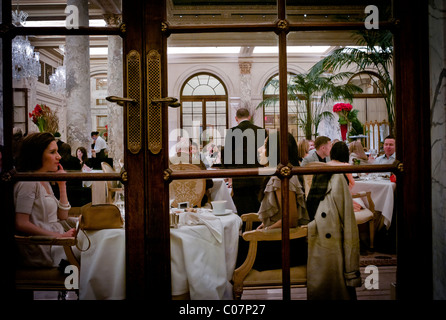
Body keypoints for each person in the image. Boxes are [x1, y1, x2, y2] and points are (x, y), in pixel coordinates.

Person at [236, 131, 308, 271]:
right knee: (233, 244)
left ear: (273, 151)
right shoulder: (278, 174)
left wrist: (266, 231)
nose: (260, 150)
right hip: (283, 242)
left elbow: (291, 219)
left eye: (264, 146)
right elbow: (282, 214)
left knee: (232, 247)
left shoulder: (282, 178)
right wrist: (265, 225)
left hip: (287, 248)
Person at [305, 140, 362, 300]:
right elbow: (349, 223)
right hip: (330, 229)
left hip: (319, 229)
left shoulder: (322, 169)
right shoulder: (340, 173)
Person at [14, 132, 78, 267]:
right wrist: (58, 237)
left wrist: (62, 184)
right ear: (37, 155)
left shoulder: (42, 180)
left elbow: (62, 215)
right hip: (43, 248)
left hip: (57, 243)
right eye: (53, 152)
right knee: (93, 250)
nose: (59, 157)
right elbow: (21, 223)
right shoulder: (28, 183)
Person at [223, 108, 266, 215]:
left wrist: (230, 175)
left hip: (239, 175)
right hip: (258, 175)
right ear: (249, 117)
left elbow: (227, 157)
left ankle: (245, 229)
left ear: (236, 118)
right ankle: (257, 229)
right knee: (258, 205)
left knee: (242, 207)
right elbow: (266, 154)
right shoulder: (261, 131)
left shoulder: (231, 132)